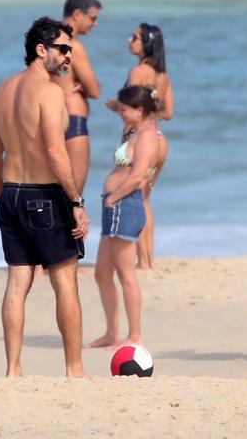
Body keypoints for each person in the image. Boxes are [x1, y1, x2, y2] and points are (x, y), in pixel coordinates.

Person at [0, 16, 90, 378]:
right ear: (40, 50)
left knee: (17, 282)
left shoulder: (1, 90)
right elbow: (55, 151)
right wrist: (76, 203)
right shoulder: (49, 91)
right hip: (44, 195)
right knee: (65, 282)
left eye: (71, 51)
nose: (67, 58)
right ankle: (74, 369)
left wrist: (4, 197)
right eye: (62, 50)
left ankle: (13, 369)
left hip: (11, 194)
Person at [87, 85, 160, 349]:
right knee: (102, 273)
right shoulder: (134, 130)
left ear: (139, 110)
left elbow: (139, 175)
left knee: (126, 274)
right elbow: (121, 110)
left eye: (125, 110)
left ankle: (135, 336)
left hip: (124, 205)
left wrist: (113, 198)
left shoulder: (148, 136)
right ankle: (111, 333)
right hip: (115, 205)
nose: (121, 113)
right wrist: (115, 104)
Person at [115, 23, 173, 271]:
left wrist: (114, 105)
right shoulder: (162, 76)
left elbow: (127, 108)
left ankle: (141, 261)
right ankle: (148, 260)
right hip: (159, 138)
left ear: (146, 44)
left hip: (138, 139)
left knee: (134, 199)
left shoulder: (137, 71)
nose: (130, 40)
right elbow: (167, 113)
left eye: (134, 37)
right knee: (145, 199)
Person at [56, 0, 102, 193]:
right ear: (77, 15)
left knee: (51, 192)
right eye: (92, 18)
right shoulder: (73, 46)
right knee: (73, 196)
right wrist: (82, 85)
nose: (95, 24)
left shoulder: (45, 44)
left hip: (48, 121)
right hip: (73, 122)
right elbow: (94, 91)